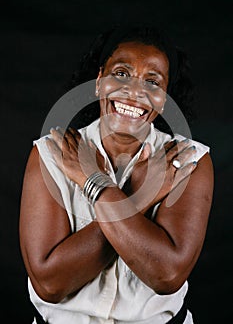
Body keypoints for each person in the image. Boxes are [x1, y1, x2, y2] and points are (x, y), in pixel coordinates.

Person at [19, 24, 214, 324]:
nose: (134, 92)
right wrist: (138, 197)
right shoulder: (53, 153)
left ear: (165, 99)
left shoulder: (188, 161)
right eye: (121, 73)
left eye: (152, 82)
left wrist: (92, 184)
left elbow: (166, 274)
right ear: (99, 81)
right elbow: (50, 284)